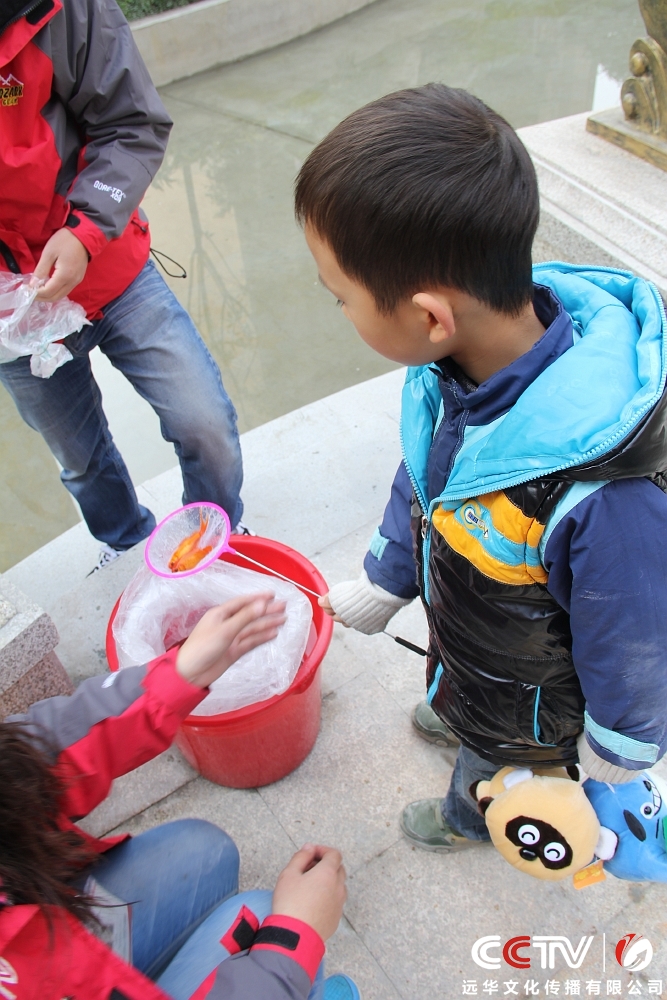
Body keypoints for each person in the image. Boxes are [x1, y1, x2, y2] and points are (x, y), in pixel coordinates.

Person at [294, 84, 667, 854]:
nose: (340, 311)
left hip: (530, 704)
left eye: (339, 299)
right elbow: (427, 482)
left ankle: (469, 814)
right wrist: (388, 577)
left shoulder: (603, 490)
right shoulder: (454, 375)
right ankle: (458, 706)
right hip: (479, 639)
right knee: (466, 687)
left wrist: (620, 743)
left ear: (429, 316)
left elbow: (634, 633)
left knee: (496, 769)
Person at [0, 590, 361, 999]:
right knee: (269, 919)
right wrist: (292, 944)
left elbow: (35, 757)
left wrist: (176, 675)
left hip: (57, 926)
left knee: (204, 848)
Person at [0, 0, 245, 571]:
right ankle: (127, 546)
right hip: (13, 314)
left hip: (109, 263)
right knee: (81, 461)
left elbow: (131, 122)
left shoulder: (64, 9)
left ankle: (213, 534)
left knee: (204, 422)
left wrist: (85, 230)